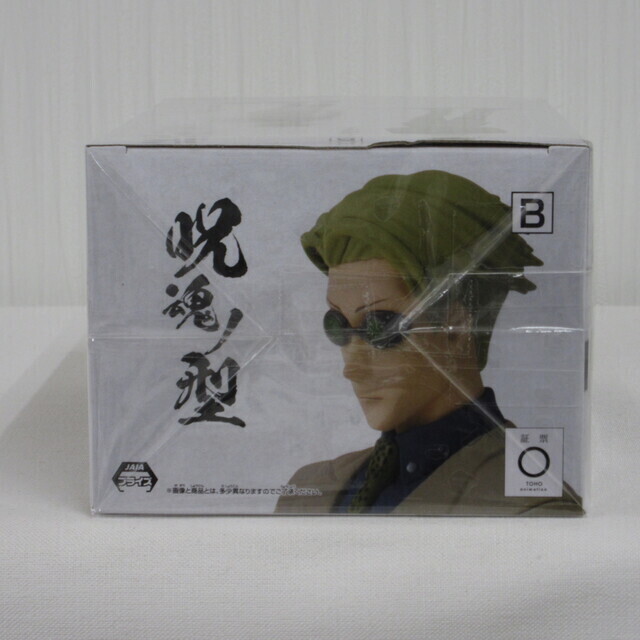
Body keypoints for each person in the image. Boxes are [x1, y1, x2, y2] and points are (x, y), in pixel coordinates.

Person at [276, 170, 582, 515]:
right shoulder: (308, 490)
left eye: (381, 328)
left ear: (455, 328)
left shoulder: (531, 510)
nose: (352, 367)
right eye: (338, 326)